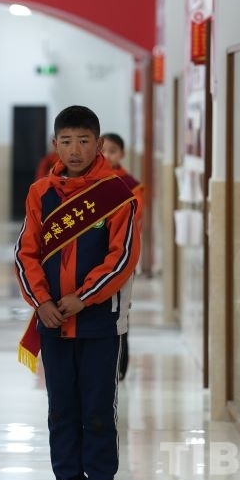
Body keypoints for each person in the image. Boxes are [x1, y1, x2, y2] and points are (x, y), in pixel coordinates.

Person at [14, 106, 141, 480]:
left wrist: (83, 298)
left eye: (83, 141)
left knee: (98, 410)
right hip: (53, 321)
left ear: (98, 144)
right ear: (55, 144)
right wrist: (42, 302)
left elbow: (122, 258)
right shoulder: (41, 193)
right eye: (66, 141)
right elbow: (26, 253)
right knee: (61, 410)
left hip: (100, 323)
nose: (74, 150)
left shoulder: (116, 195)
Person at [100, 132, 144, 382]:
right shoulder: (88, 182)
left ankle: (120, 363)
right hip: (94, 259)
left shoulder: (131, 185)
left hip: (121, 258)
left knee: (120, 312)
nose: (107, 156)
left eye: (113, 151)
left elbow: (134, 220)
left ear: (122, 154)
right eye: (103, 150)